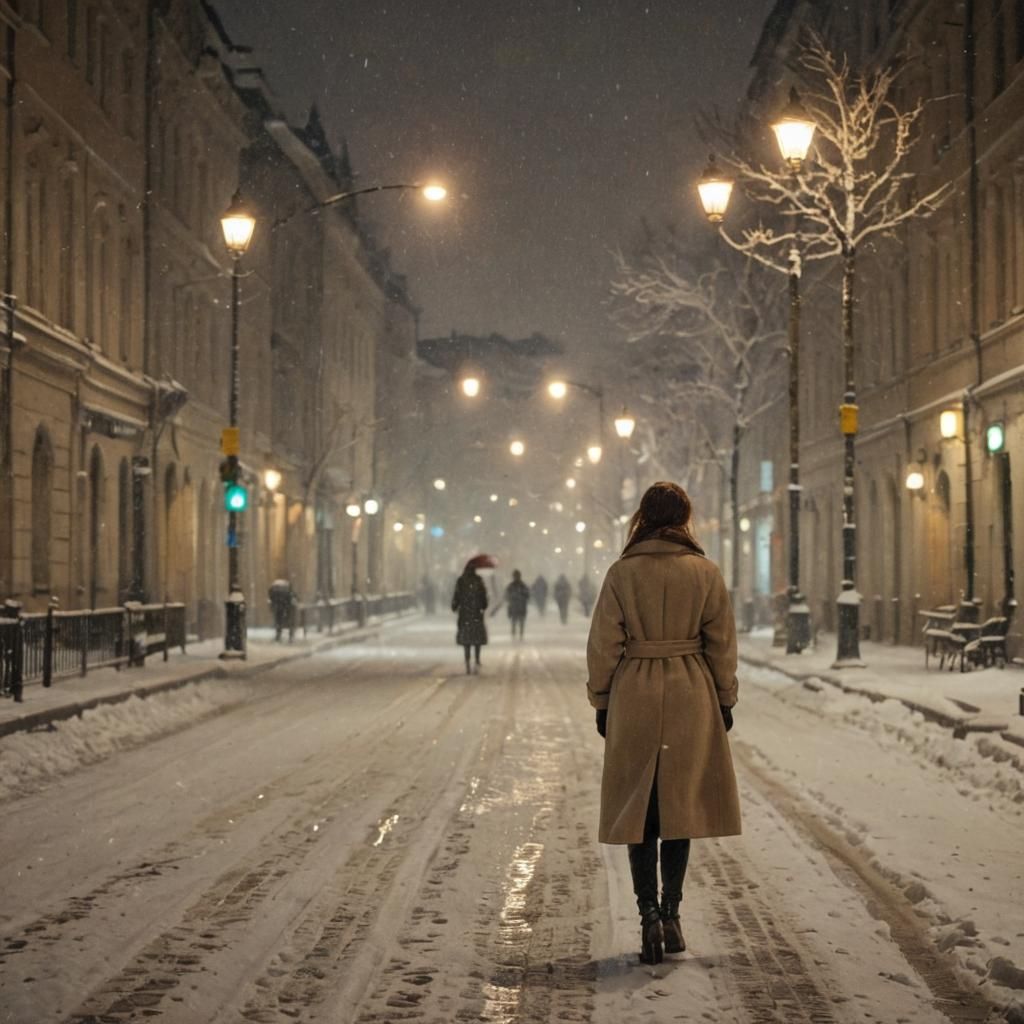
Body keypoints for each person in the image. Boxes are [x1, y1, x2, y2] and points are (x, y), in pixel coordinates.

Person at [586, 481, 740, 965]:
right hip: (691, 691)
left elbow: (603, 644)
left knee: (640, 811)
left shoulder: (622, 573)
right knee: (679, 806)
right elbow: (722, 644)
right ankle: (672, 912)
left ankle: (648, 913)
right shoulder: (705, 573)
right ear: (683, 518)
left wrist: (602, 699)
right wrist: (724, 697)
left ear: (642, 517)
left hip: (636, 690)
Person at [451, 560, 488, 673]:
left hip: (465, 613)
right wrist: (483, 605)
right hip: (476, 613)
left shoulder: (461, 581)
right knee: (477, 638)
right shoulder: (478, 580)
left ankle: (467, 659)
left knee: (466, 639)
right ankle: (477, 659)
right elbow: (483, 596)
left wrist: (455, 606)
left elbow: (456, 595)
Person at [503, 569, 531, 640]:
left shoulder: (517, 586)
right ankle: (516, 635)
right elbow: (507, 596)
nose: (516, 577)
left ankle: (518, 635)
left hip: (517, 607)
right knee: (516, 622)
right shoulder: (520, 585)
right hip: (517, 607)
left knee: (517, 622)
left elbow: (527, 595)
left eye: (516, 576)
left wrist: (513, 598)